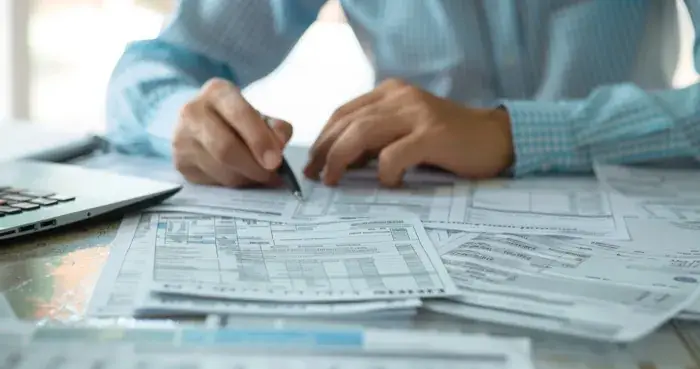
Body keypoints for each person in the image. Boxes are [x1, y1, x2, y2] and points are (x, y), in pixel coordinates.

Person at [105, 0, 700, 188]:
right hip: (406, 211)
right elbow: (153, 70)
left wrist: (511, 132)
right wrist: (183, 121)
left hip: (634, 205)